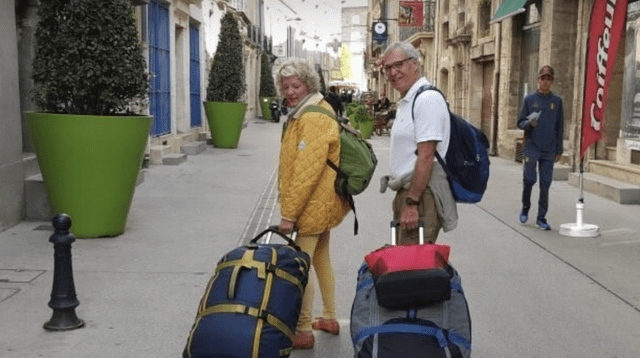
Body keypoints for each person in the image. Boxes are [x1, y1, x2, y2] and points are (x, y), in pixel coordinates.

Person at [275, 59, 351, 349]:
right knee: (320, 258)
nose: (290, 92)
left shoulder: (312, 116)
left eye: (296, 85)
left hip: (312, 204)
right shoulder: (310, 110)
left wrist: (289, 214)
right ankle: (329, 317)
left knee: (300, 266)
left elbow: (306, 172)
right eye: (285, 87)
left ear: (308, 84)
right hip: (321, 201)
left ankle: (304, 329)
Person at [379, 41, 457, 244]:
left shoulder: (426, 99)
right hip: (410, 192)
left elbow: (426, 156)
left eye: (398, 65)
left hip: (421, 196)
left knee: (412, 268)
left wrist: (412, 202)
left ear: (414, 64)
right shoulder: (410, 100)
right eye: (388, 68)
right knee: (406, 266)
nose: (393, 72)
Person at [517, 65, 564, 230]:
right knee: (529, 180)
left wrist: (559, 149)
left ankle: (541, 218)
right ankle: (525, 207)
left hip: (549, 149)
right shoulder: (529, 100)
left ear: (551, 82)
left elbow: (560, 126)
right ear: (538, 80)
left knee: (545, 183)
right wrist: (528, 124)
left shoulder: (557, 102)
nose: (545, 82)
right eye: (543, 78)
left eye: (548, 79)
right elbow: (520, 122)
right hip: (531, 146)